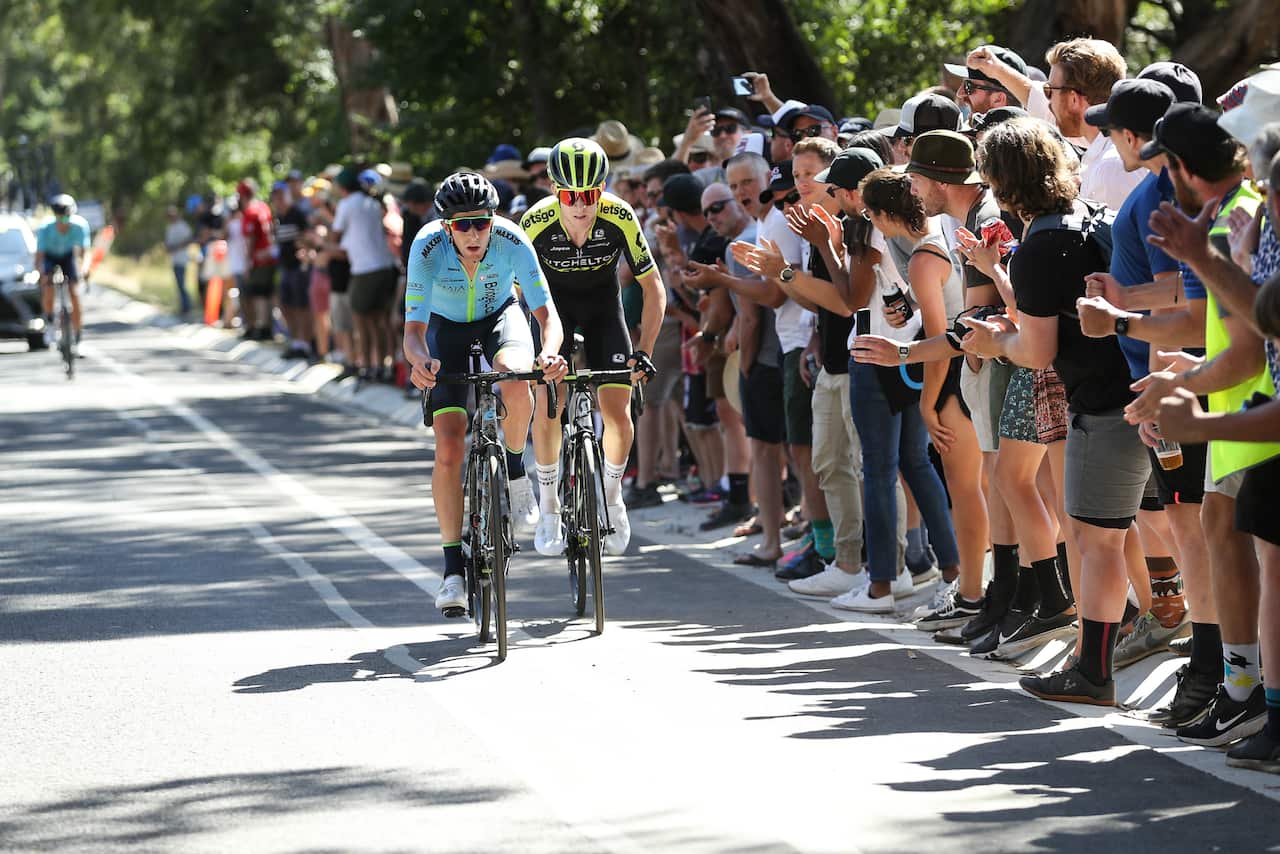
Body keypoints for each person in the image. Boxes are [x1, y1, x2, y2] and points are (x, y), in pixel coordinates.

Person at [960, 118, 1148, 706]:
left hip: (1103, 404)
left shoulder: (1041, 245)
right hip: (1144, 391)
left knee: (1096, 543)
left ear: (1002, 182)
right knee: (1146, 535)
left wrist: (994, 343)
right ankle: (1110, 656)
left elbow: (1036, 350)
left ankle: (1093, 672)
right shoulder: (1087, 217)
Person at [404, 172, 568, 615]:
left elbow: (546, 315)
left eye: (482, 222)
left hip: (501, 318)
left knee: (515, 378)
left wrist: (550, 354)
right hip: (444, 331)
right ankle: (452, 570)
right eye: (463, 225)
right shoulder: (426, 247)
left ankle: (516, 473)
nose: (474, 233)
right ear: (446, 227)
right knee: (449, 447)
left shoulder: (512, 241)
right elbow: (414, 331)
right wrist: (420, 361)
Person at [521, 138, 668, 556]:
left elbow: (653, 289)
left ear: (602, 190)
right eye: (570, 195)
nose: (581, 205)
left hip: (605, 308)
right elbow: (515, 293)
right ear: (554, 190)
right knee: (550, 402)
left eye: (590, 195)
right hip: (553, 311)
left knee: (618, 411)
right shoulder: (535, 222)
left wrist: (646, 349)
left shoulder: (621, 216)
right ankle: (550, 506)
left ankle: (612, 495)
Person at [332, 167, 400, 381]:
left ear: (342, 187)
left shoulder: (346, 204)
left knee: (362, 320)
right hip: (386, 265)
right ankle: (384, 366)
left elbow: (335, 235)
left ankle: (370, 366)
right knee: (380, 320)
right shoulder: (372, 202)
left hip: (364, 269)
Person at [35, 194, 91, 343]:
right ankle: (50, 323)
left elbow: (85, 253)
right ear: (55, 216)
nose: (64, 222)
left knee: (74, 293)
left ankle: (78, 337)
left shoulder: (80, 226)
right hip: (50, 256)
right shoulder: (45, 228)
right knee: (48, 287)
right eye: (60, 218)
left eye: (67, 218)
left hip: (68, 256)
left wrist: (84, 269)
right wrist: (41, 274)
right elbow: (39, 257)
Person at [271, 181, 313, 359]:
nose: (279, 200)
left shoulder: (297, 214)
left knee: (301, 306)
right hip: (285, 267)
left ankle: (305, 343)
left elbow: (309, 235)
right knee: (286, 305)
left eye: (281, 196)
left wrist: (303, 245)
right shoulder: (278, 217)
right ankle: (295, 341)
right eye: (276, 197)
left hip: (299, 268)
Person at [237, 179, 277, 341]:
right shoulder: (263, 206)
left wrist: (248, 262)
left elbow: (251, 240)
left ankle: (262, 327)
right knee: (267, 294)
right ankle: (266, 326)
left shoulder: (250, 212)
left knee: (259, 294)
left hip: (259, 259)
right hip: (269, 256)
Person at [163, 205, 194, 316]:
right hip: (174, 259)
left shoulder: (182, 226)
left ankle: (187, 306)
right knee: (178, 285)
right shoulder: (170, 228)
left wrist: (177, 246)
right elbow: (167, 243)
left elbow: (189, 239)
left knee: (182, 284)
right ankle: (183, 306)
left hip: (182, 259)